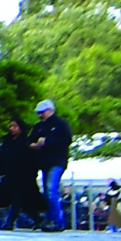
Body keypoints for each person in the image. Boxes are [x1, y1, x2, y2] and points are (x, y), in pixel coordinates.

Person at [31, 99, 73, 231]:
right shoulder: (38, 126)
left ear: (49, 110)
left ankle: (57, 220)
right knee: (48, 190)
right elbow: (30, 141)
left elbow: (67, 140)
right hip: (44, 162)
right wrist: (34, 145)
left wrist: (47, 141)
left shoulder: (60, 124)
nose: (40, 115)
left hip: (57, 161)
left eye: (42, 112)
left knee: (50, 188)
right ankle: (52, 217)